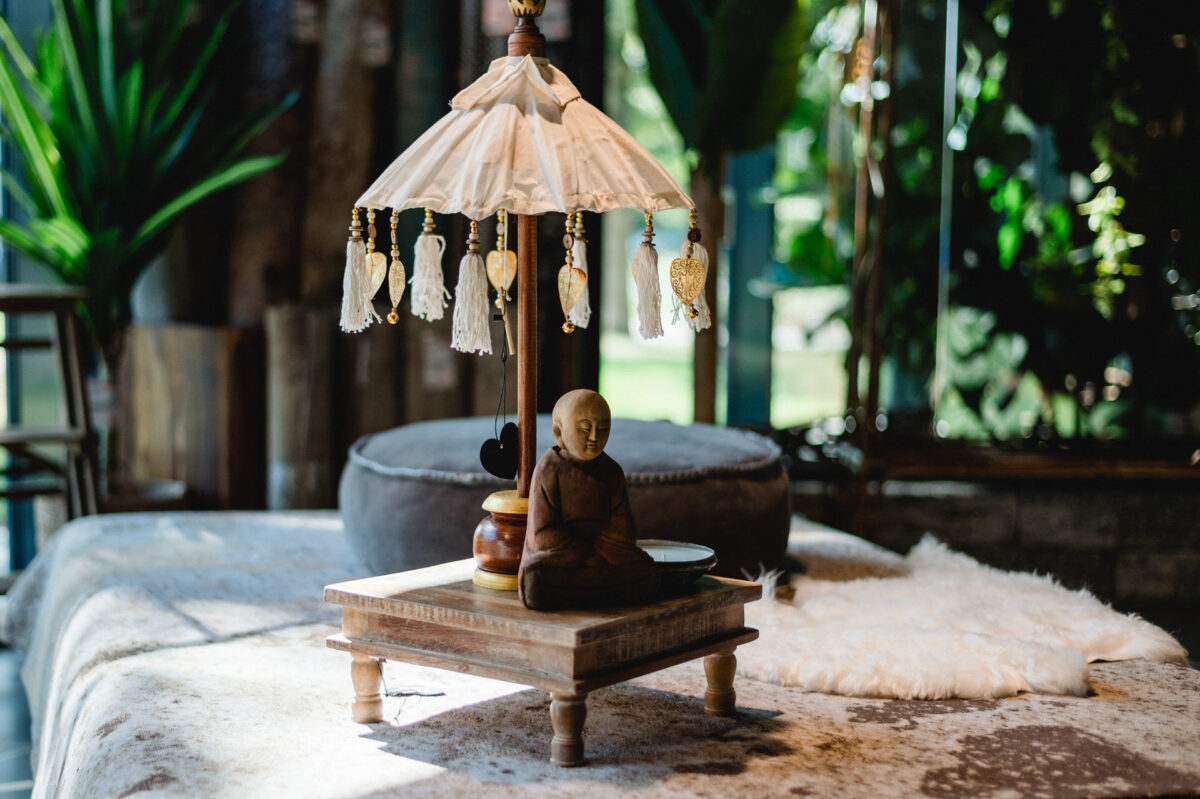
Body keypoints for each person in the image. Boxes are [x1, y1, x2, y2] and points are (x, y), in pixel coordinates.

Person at [518, 389, 659, 610]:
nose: (594, 436)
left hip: (605, 556)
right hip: (562, 558)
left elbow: (623, 530)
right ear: (559, 431)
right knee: (537, 579)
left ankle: (588, 588)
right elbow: (542, 534)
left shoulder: (612, 472)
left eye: (602, 428)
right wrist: (583, 553)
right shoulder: (548, 469)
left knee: (646, 570)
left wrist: (599, 552)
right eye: (585, 428)